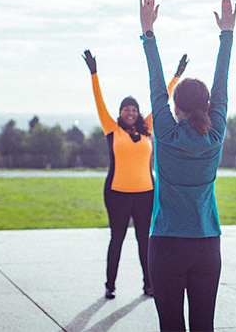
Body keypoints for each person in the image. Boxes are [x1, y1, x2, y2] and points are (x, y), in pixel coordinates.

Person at [140, 0, 236, 332]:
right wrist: (227, 34)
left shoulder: (165, 132)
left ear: (175, 107)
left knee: (171, 327)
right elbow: (222, 85)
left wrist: (148, 32)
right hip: (207, 244)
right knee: (203, 326)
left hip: (166, 244)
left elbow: (156, 85)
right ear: (208, 106)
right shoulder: (215, 134)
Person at [82, 49, 188, 299]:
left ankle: (148, 285)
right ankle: (110, 285)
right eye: (125, 110)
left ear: (138, 113)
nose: (130, 113)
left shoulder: (148, 128)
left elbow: (163, 99)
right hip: (117, 194)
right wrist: (94, 73)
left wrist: (177, 76)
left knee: (145, 242)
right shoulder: (112, 129)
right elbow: (99, 101)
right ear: (120, 113)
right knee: (116, 240)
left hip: (145, 194)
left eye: (134, 110)